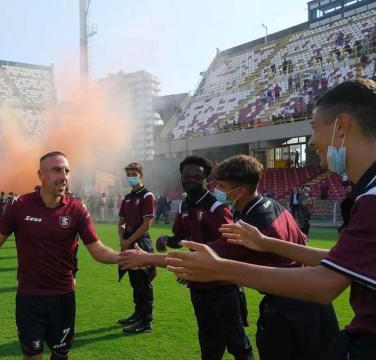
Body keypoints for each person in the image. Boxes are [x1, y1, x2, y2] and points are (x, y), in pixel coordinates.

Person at [158, 79, 376, 359]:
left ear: (341, 126)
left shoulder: (370, 198)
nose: (311, 142)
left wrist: (221, 269)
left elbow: (325, 285)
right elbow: (336, 260)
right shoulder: (365, 193)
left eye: (313, 128)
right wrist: (267, 244)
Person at [123, 155, 340, 359]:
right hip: (311, 304)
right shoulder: (273, 206)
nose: (219, 191)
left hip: (290, 308)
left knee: (236, 340)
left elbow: (204, 258)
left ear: (240, 190)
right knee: (211, 340)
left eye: (223, 187)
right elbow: (302, 240)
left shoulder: (249, 225)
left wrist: (146, 258)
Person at [0, 151, 119, 360]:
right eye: (57, 170)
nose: (64, 175)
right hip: (29, 298)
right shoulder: (19, 206)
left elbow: (98, 250)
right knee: (32, 357)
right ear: (40, 174)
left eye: (67, 171)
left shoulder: (76, 208)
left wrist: (124, 257)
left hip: (63, 297)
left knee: (60, 355)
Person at [158, 155, 253, 360]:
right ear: (181, 178)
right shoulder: (185, 206)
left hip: (222, 285)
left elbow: (230, 243)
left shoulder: (216, 207)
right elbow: (181, 238)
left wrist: (195, 265)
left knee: (235, 341)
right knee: (208, 340)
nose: (191, 180)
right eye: (186, 176)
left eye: (196, 176)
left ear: (205, 179)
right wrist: (167, 239)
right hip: (199, 287)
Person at [117, 162, 156, 334]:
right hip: (128, 241)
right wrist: (122, 240)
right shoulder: (127, 197)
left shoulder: (147, 196)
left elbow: (147, 224)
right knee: (134, 281)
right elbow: (121, 222)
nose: (131, 177)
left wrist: (130, 240)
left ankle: (146, 321)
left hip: (141, 242)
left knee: (143, 282)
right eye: (128, 174)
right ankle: (137, 314)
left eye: (134, 173)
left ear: (141, 175)